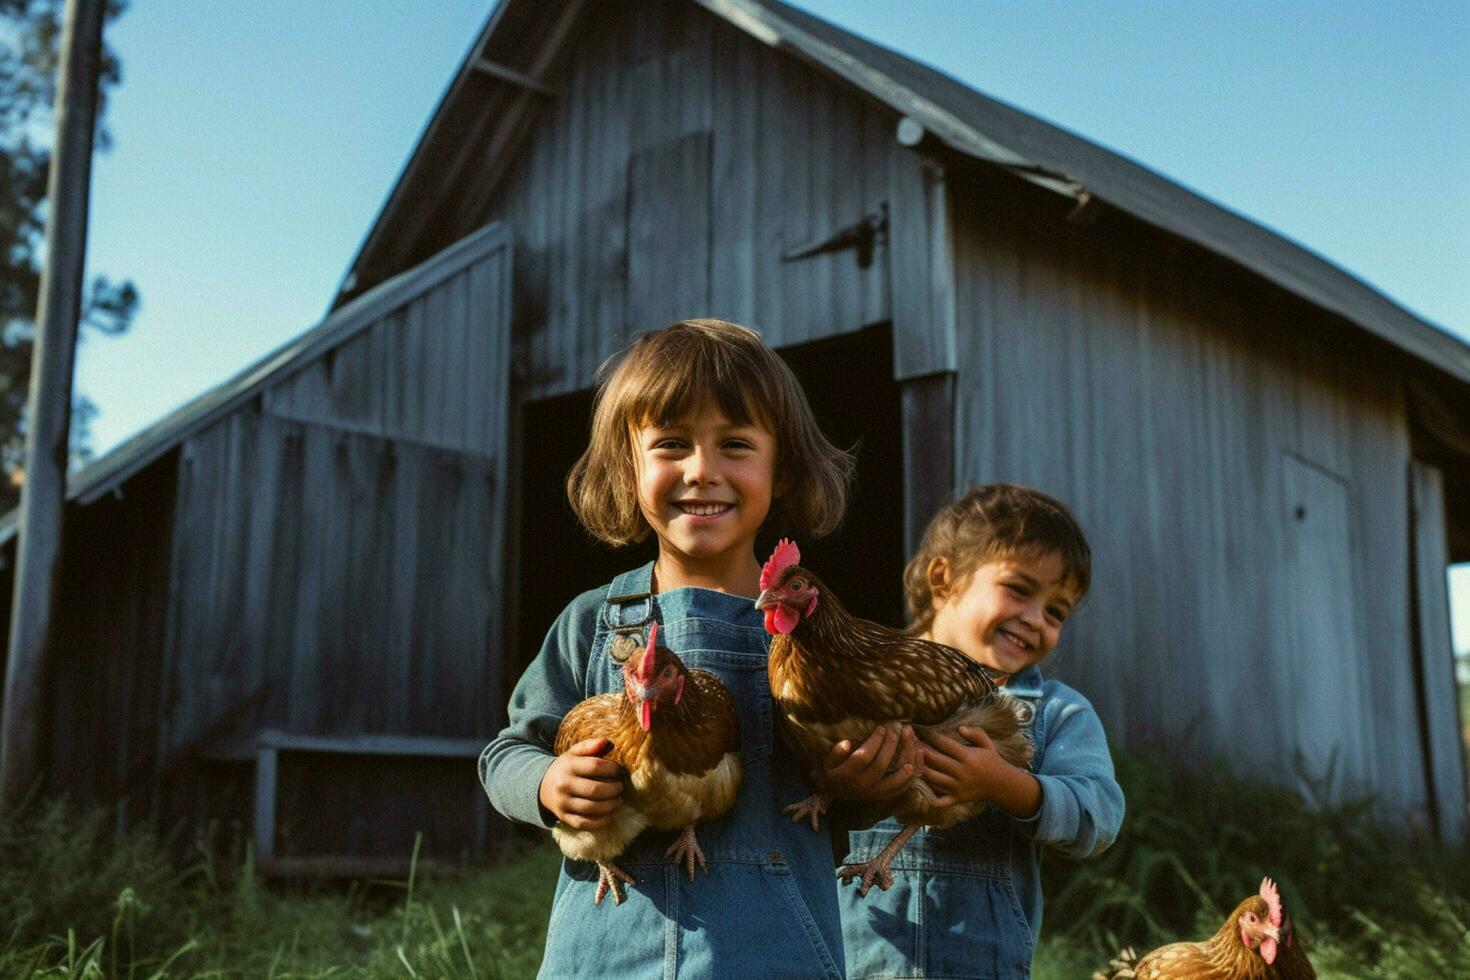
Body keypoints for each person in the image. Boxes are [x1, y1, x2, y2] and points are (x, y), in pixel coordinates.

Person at [479, 318, 856, 978]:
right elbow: (507, 751)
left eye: (735, 445)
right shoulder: (593, 623)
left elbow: (850, 795)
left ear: (782, 467)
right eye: (672, 444)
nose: (701, 471)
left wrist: (864, 784)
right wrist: (546, 784)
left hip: (773, 952)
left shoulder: (813, 639)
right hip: (607, 953)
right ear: (629, 467)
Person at [829, 484, 1125, 979]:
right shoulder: (869, 685)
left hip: (980, 964)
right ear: (944, 579)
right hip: (854, 958)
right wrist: (844, 786)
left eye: (1056, 611)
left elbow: (1099, 814)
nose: (1034, 620)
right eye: (1019, 589)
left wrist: (1007, 786)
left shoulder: (1055, 713)